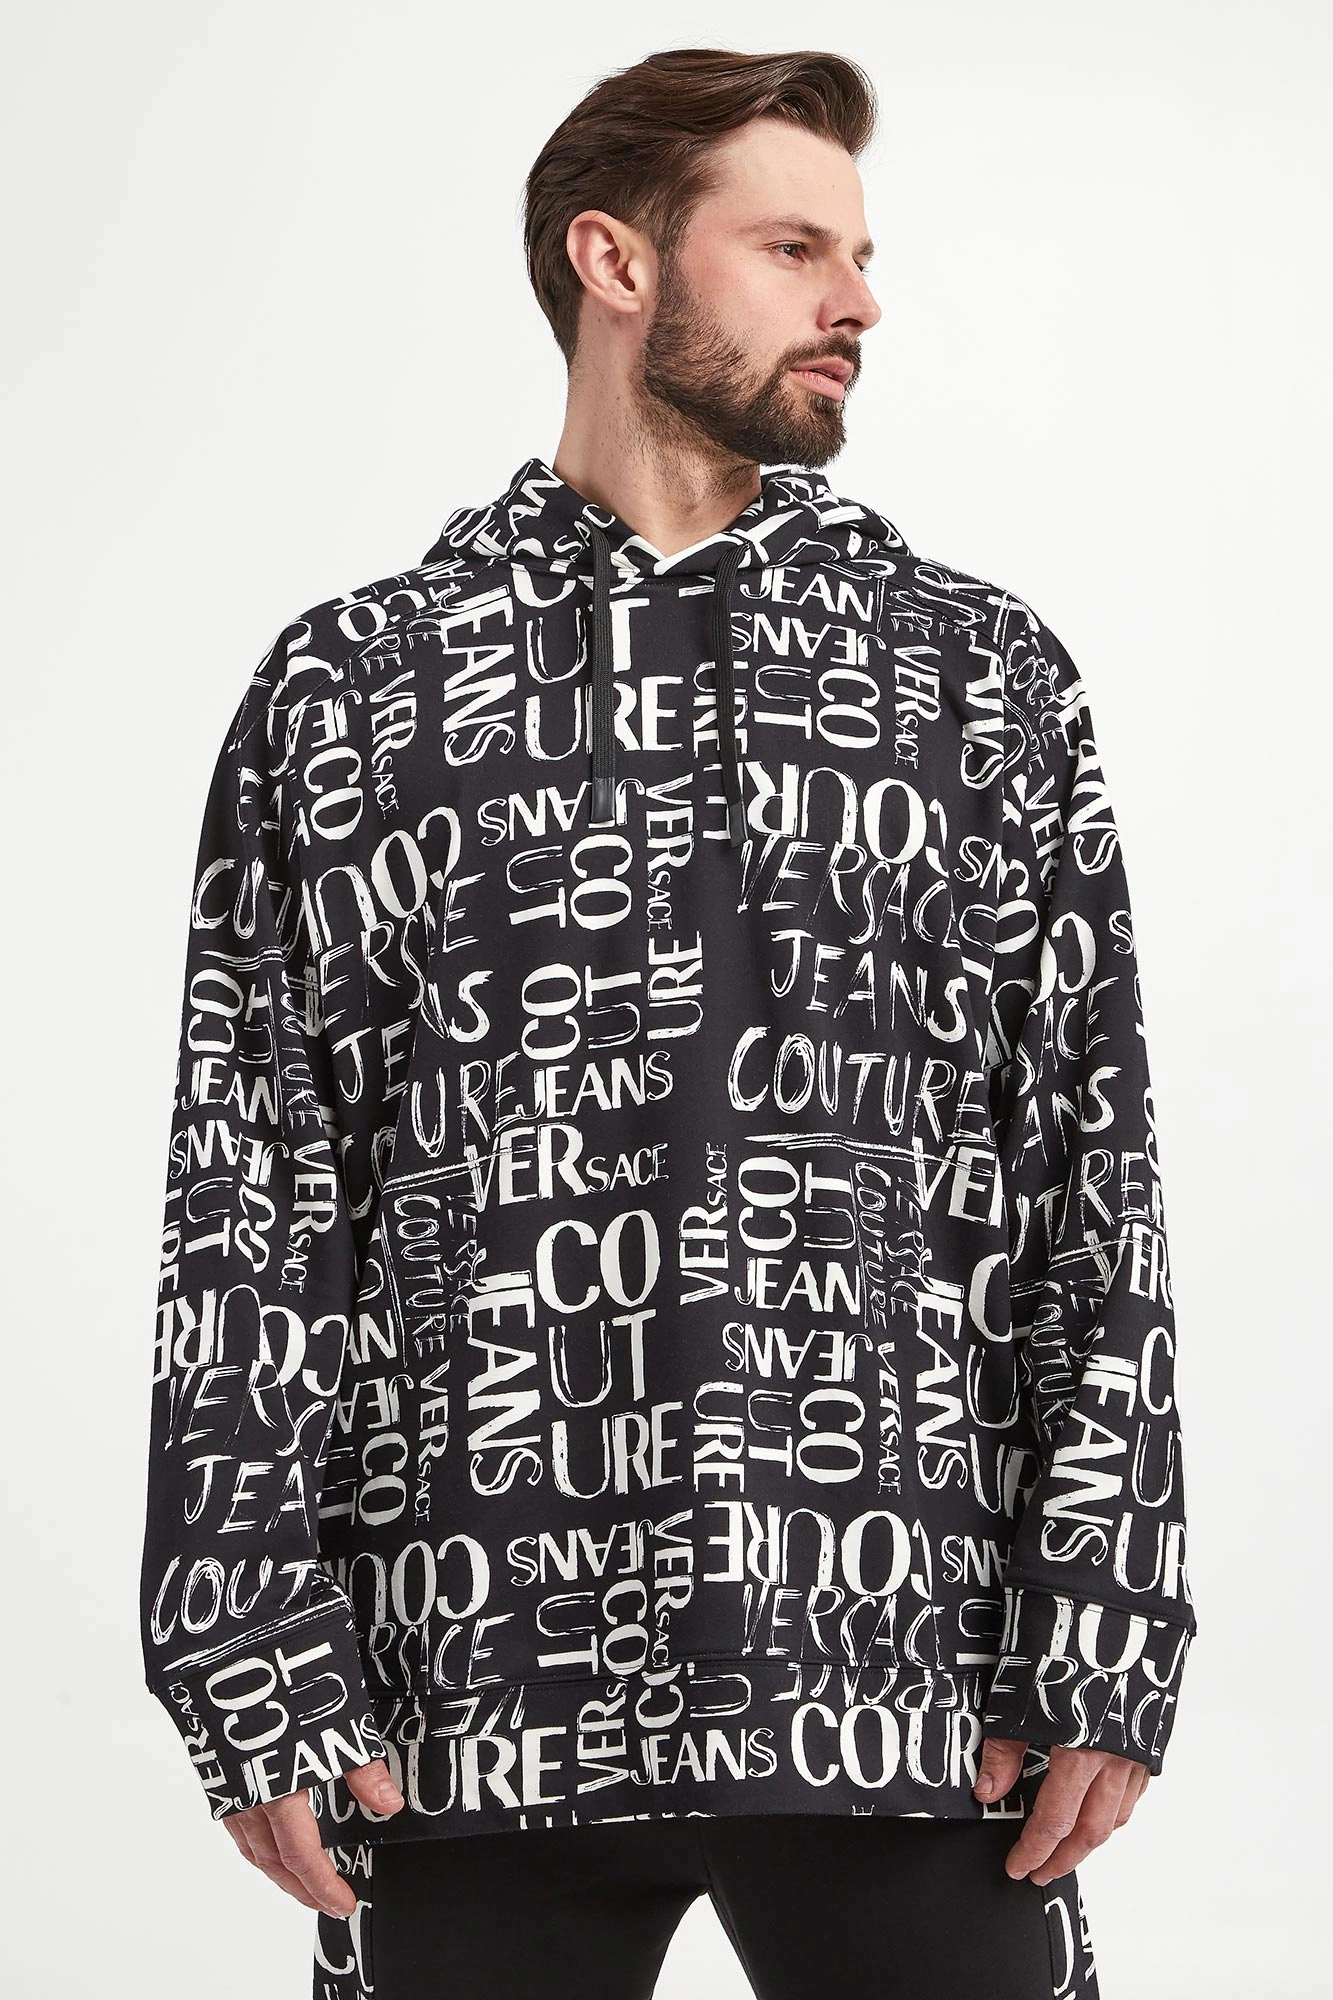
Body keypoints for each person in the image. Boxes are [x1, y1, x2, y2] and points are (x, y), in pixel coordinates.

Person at [138, 44, 1199, 2000]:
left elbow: (1088, 1171)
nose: (858, 300)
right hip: (463, 1696)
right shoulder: (352, 695)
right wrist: (245, 1637)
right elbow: (254, 1198)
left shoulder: (975, 681)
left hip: (906, 1689)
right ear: (614, 261)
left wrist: (1109, 1606)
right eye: (795, 247)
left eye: (861, 254)